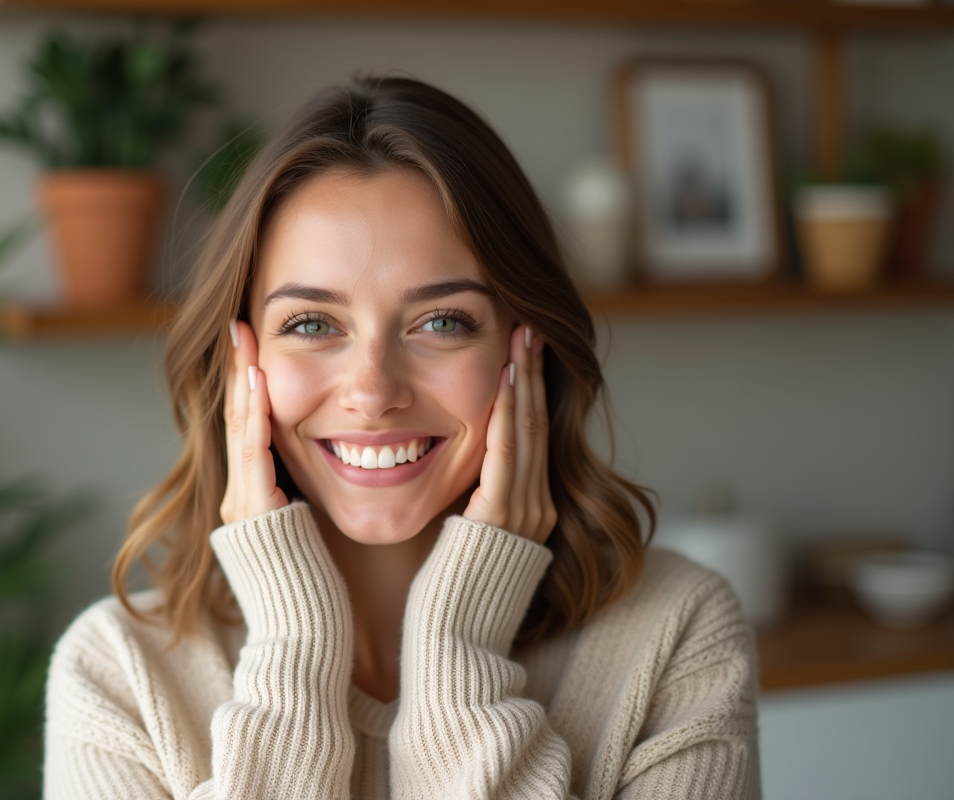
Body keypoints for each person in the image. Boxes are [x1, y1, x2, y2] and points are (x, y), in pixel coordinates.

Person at [43, 75, 760, 800]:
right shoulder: (118, 674)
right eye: (313, 325)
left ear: (527, 350)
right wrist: (296, 645)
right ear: (239, 360)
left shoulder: (675, 631)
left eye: (442, 321)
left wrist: (460, 642)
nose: (373, 391)